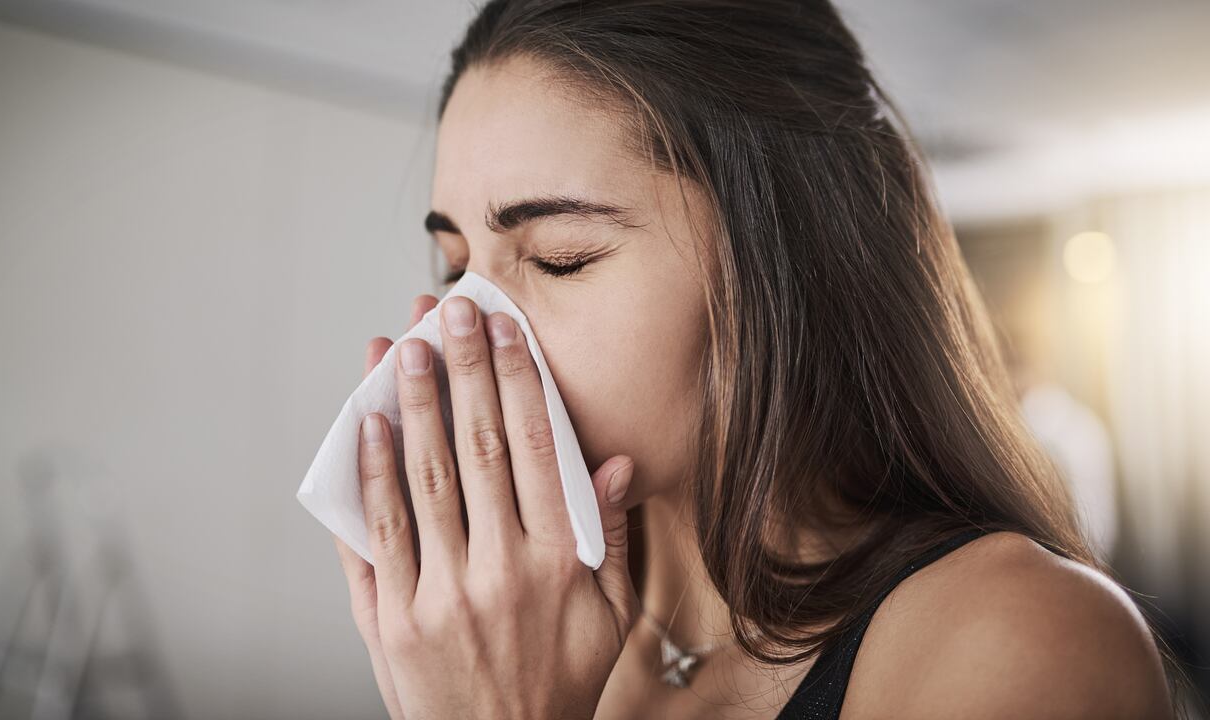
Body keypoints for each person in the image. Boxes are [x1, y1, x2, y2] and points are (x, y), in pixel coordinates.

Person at [328, 1, 1180, 717]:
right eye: (456, 268)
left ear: (776, 255)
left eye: (560, 258)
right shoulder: (518, 625)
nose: (464, 332)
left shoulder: (1015, 644)